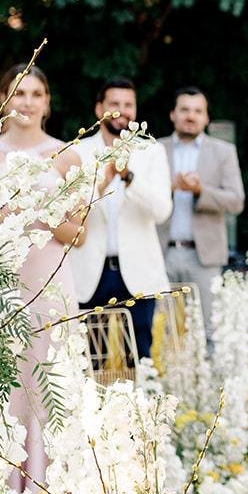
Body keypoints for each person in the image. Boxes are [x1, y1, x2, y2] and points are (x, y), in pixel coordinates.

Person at [0, 65, 81, 494]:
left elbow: (78, 233)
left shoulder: (67, 155)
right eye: (18, 93)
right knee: (2, 393)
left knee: (49, 391)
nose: (26, 101)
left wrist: (36, 210)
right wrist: (0, 215)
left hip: (49, 284)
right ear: (4, 100)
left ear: (47, 102)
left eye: (35, 93)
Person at [70, 79, 172, 362]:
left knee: (139, 358)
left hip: (138, 271)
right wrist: (103, 181)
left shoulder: (152, 152)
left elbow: (163, 210)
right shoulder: (78, 151)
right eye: (114, 104)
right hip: (91, 272)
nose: (122, 111)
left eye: (128, 105)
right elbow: (71, 211)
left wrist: (128, 177)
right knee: (91, 360)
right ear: (99, 108)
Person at [157, 88, 245, 336]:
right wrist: (170, 187)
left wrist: (199, 191)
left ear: (206, 118)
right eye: (184, 109)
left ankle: (211, 376)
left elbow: (236, 201)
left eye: (197, 111)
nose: (190, 116)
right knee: (162, 329)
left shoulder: (223, 152)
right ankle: (168, 376)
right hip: (162, 253)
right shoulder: (155, 149)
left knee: (211, 329)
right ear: (173, 114)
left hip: (204, 256)